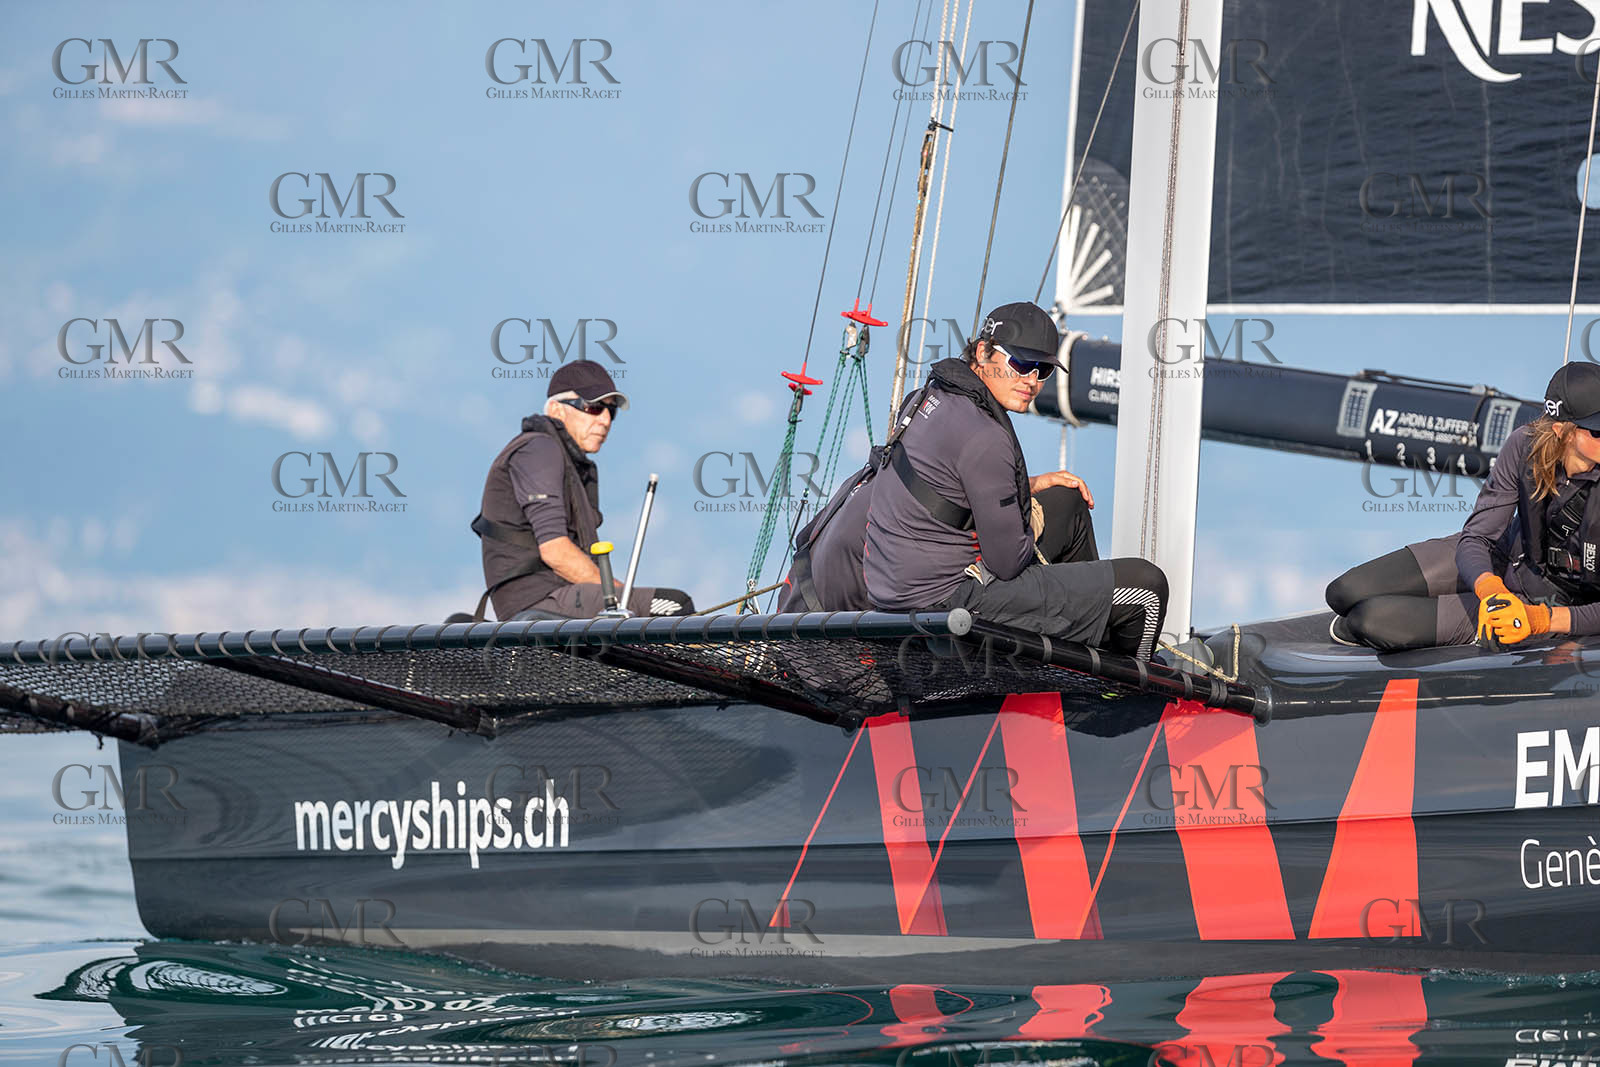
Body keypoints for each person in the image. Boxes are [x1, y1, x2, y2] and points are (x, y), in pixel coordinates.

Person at [859, 301, 1170, 659]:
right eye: (1021, 364)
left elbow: (948, 489)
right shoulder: (985, 437)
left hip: (895, 589)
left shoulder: (928, 398)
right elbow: (1008, 562)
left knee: (1067, 501)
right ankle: (1121, 692)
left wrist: (1030, 487)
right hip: (948, 600)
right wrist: (1030, 522)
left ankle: (1084, 651)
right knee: (1146, 587)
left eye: (1043, 370)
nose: (1031, 381)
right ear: (983, 352)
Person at [1327, 362, 1600, 651]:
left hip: (1542, 607)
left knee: (1367, 620)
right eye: (1597, 431)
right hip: (1502, 560)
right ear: (1562, 431)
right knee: (1343, 592)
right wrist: (1490, 588)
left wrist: (1539, 620)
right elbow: (1477, 537)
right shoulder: (1524, 445)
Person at [472, 361, 694, 621]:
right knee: (673, 605)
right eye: (593, 407)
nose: (606, 420)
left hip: (560, 596)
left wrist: (622, 596)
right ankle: (719, 663)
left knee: (644, 627)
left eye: (612, 411)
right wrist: (622, 596)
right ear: (557, 410)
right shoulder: (539, 449)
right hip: (540, 600)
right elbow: (555, 551)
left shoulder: (571, 462)